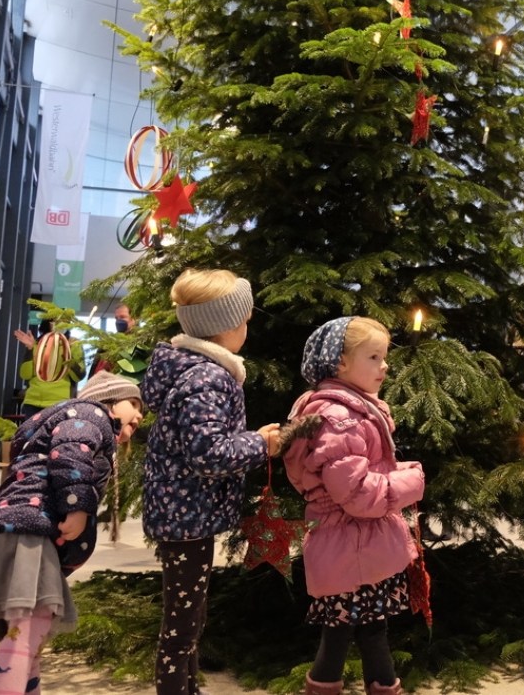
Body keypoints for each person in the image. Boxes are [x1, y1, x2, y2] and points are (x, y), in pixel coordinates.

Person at [0, 371, 145, 695]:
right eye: (134, 403)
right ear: (109, 400)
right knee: (27, 632)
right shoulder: (89, 413)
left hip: (19, 530)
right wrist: (77, 506)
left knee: (29, 632)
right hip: (29, 530)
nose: (141, 414)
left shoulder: (81, 421)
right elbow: (71, 452)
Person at [141, 269, 281, 695]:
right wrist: (259, 443)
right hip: (186, 515)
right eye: (244, 320)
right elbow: (208, 453)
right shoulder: (208, 378)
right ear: (224, 326)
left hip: (182, 510)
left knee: (190, 614)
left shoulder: (190, 369)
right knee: (183, 621)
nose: (247, 327)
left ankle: (187, 687)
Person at [284, 316, 425, 695]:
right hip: (351, 543)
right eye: (374, 357)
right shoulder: (340, 419)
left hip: (353, 544)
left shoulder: (356, 410)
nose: (385, 366)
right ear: (340, 363)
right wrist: (411, 481)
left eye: (385, 357)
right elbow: (358, 494)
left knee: (357, 630)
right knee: (354, 633)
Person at [13, 319, 85, 417]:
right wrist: (31, 349)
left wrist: (66, 354)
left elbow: (79, 375)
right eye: (56, 322)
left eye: (64, 322)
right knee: (32, 432)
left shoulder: (73, 344)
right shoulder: (37, 344)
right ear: (48, 324)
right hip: (33, 401)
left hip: (60, 402)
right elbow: (25, 374)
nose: (60, 326)